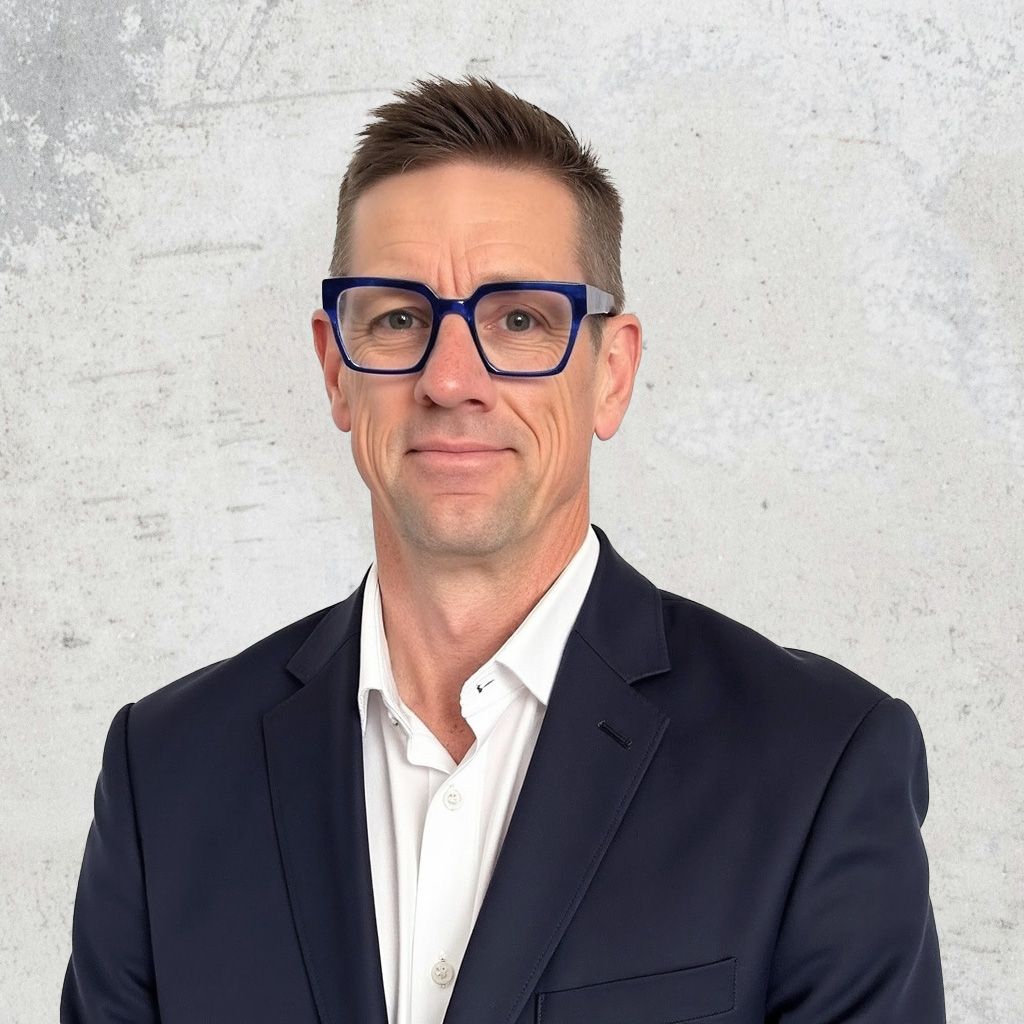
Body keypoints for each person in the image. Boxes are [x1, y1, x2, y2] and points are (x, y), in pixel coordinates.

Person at [61, 76, 945, 1024]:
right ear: (336, 370)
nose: (451, 378)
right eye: (398, 318)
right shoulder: (167, 775)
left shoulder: (816, 764)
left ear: (611, 375)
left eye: (519, 320)